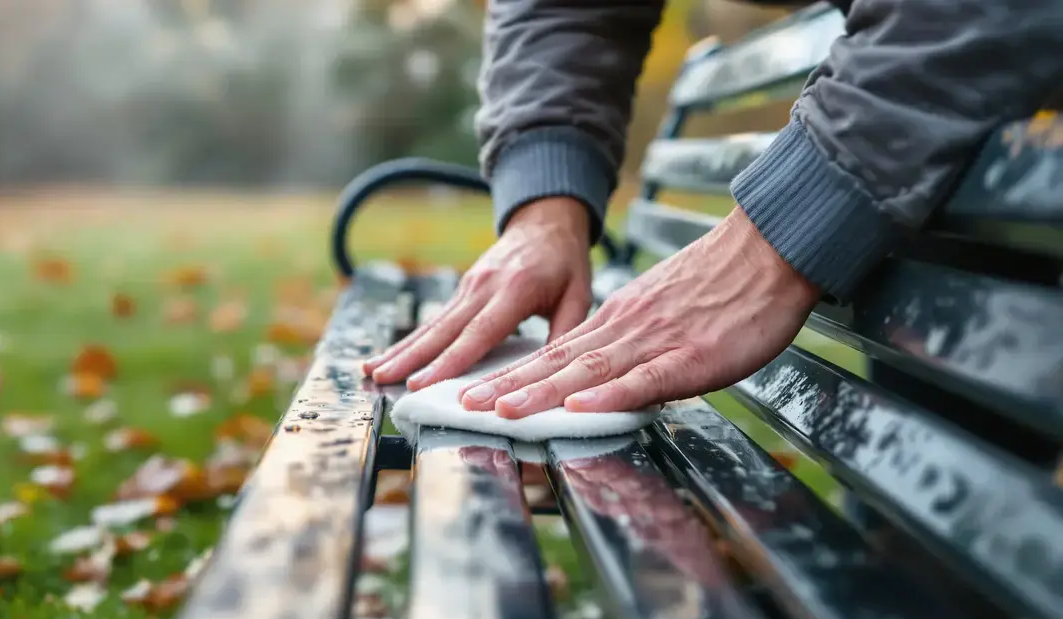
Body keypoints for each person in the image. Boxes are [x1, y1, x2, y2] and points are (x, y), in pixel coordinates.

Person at [364, 0, 1062, 417]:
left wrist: (776, 240)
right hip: (943, 159)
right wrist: (545, 203)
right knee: (922, 547)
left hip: (991, 135)